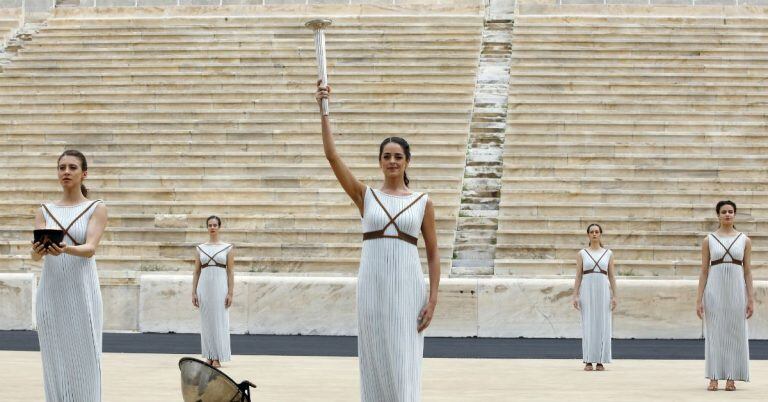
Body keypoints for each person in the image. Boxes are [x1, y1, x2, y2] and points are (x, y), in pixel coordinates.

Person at [316, 80, 441, 401]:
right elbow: (332, 157)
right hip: (372, 283)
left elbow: (434, 254)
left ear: (407, 161)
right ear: (380, 161)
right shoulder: (365, 196)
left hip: (407, 285)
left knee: (403, 356)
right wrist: (323, 108)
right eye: (386, 156)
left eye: (398, 156)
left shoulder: (423, 201)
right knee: (373, 356)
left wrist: (433, 299)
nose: (392, 161)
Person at [31, 150, 108, 401]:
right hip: (51, 292)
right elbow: (35, 257)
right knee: (54, 358)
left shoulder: (96, 207)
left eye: (72, 167)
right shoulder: (45, 210)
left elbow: (90, 249)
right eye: (62, 167)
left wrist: (66, 249)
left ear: (83, 173)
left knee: (86, 358)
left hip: (82, 291)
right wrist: (38, 251)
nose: (66, 171)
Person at [696, 200, 754, 391]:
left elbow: (747, 271)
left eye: (730, 211)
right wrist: (699, 299)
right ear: (718, 215)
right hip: (714, 290)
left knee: (736, 332)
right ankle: (713, 376)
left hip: (737, 291)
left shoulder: (745, 240)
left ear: (734, 215)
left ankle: (731, 376)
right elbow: (704, 271)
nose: (727, 214)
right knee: (715, 333)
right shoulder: (709, 240)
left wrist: (750, 298)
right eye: (724, 212)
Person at [572, 223, 617, 371]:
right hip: (587, 289)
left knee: (602, 324)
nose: (595, 234)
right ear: (588, 235)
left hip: (603, 290)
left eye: (597, 231)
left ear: (600, 234)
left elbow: (611, 276)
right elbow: (578, 275)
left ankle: (600, 360)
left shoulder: (608, 253)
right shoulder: (582, 254)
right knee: (588, 323)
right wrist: (575, 295)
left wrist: (614, 296)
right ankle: (588, 360)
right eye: (592, 232)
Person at [192, 215, 234, 368]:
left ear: (219, 227)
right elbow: (196, 271)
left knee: (219, 320)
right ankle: (209, 355)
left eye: (215, 225)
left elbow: (230, 272)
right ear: (207, 227)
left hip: (220, 286)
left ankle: (217, 357)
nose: (212, 227)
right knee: (207, 321)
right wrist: (193, 292)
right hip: (204, 287)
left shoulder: (228, 247)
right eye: (210, 225)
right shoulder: (200, 248)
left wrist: (230, 292)